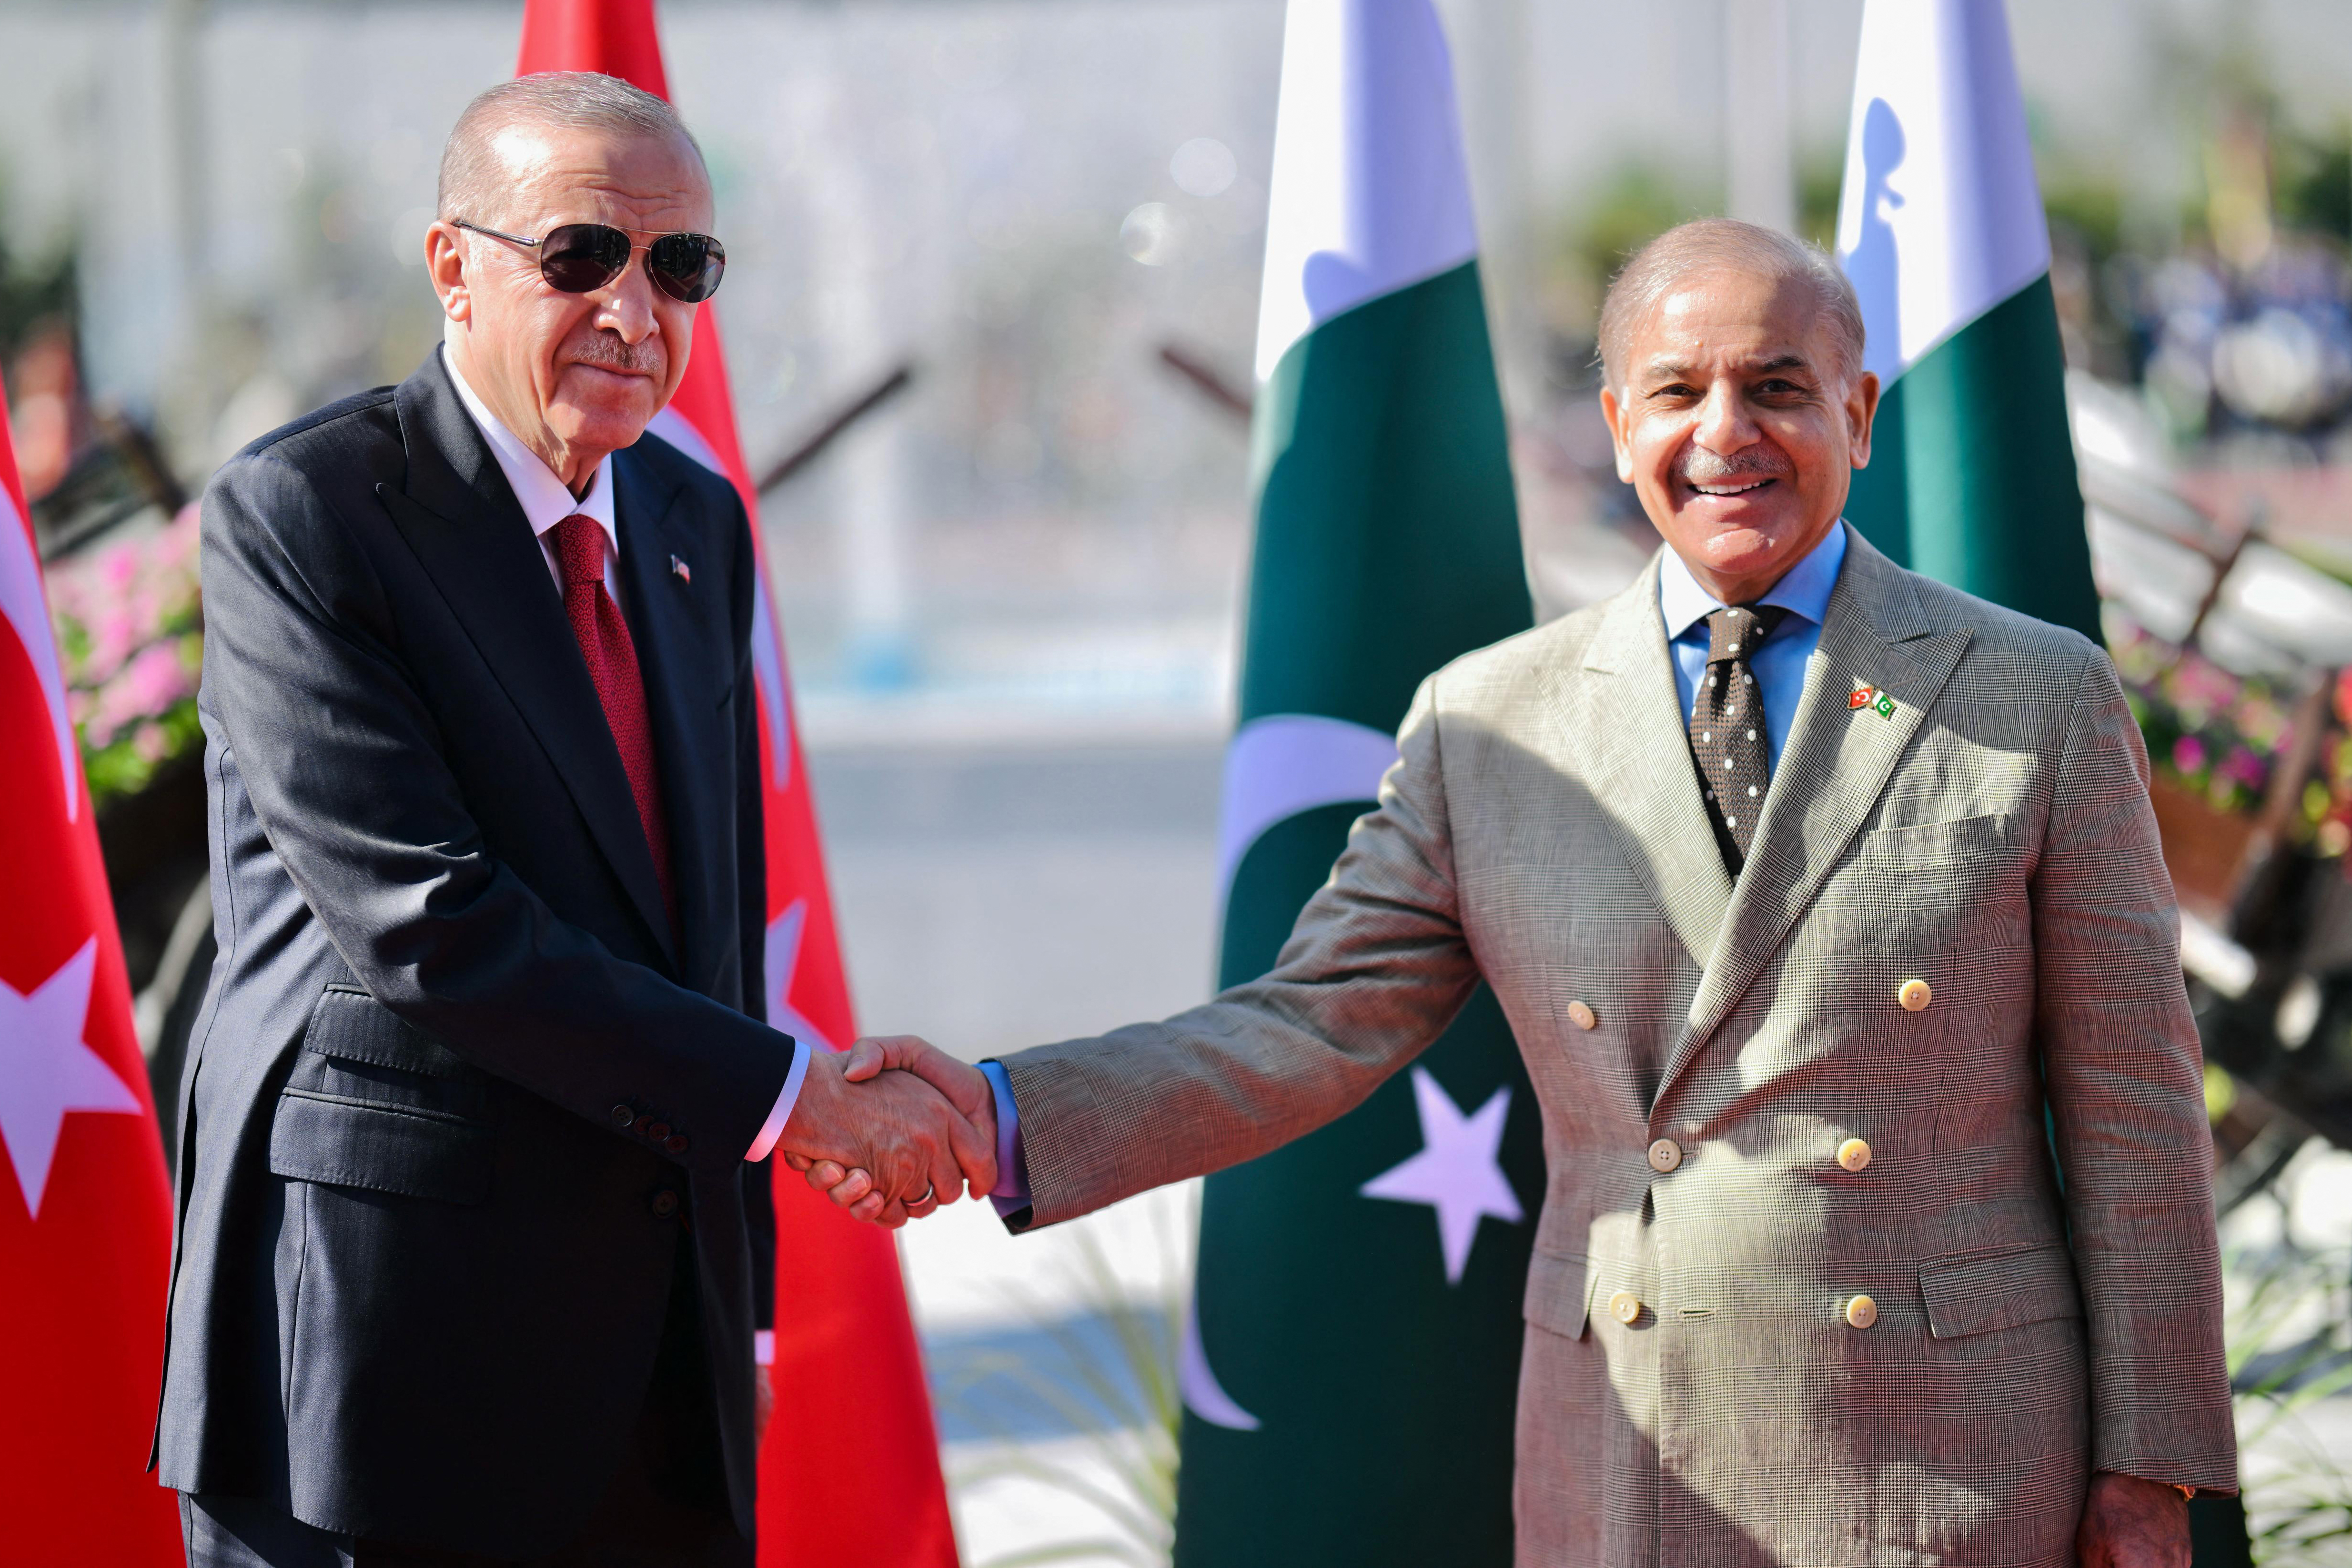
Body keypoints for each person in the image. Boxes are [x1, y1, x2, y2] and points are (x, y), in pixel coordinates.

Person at [810, 219, 2238, 1567]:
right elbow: (1301, 1028)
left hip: (1953, 1457)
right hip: (1632, 1451)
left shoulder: (2032, 694)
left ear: (1858, 414)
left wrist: (2151, 1464)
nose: (1725, 432)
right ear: (1616, 428)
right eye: (1676, 389)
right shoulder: (1488, 723)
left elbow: (2133, 1103)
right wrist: (994, 1115)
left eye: (1778, 387)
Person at [157, 72, 989, 1568]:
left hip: (656, 1360)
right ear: (453, 268)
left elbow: (706, 919)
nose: (634, 308)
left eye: (680, 267)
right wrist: (794, 1096)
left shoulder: (692, 520)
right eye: (580, 254)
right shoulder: (307, 516)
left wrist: (745, 1277)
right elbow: (435, 925)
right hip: (386, 1354)